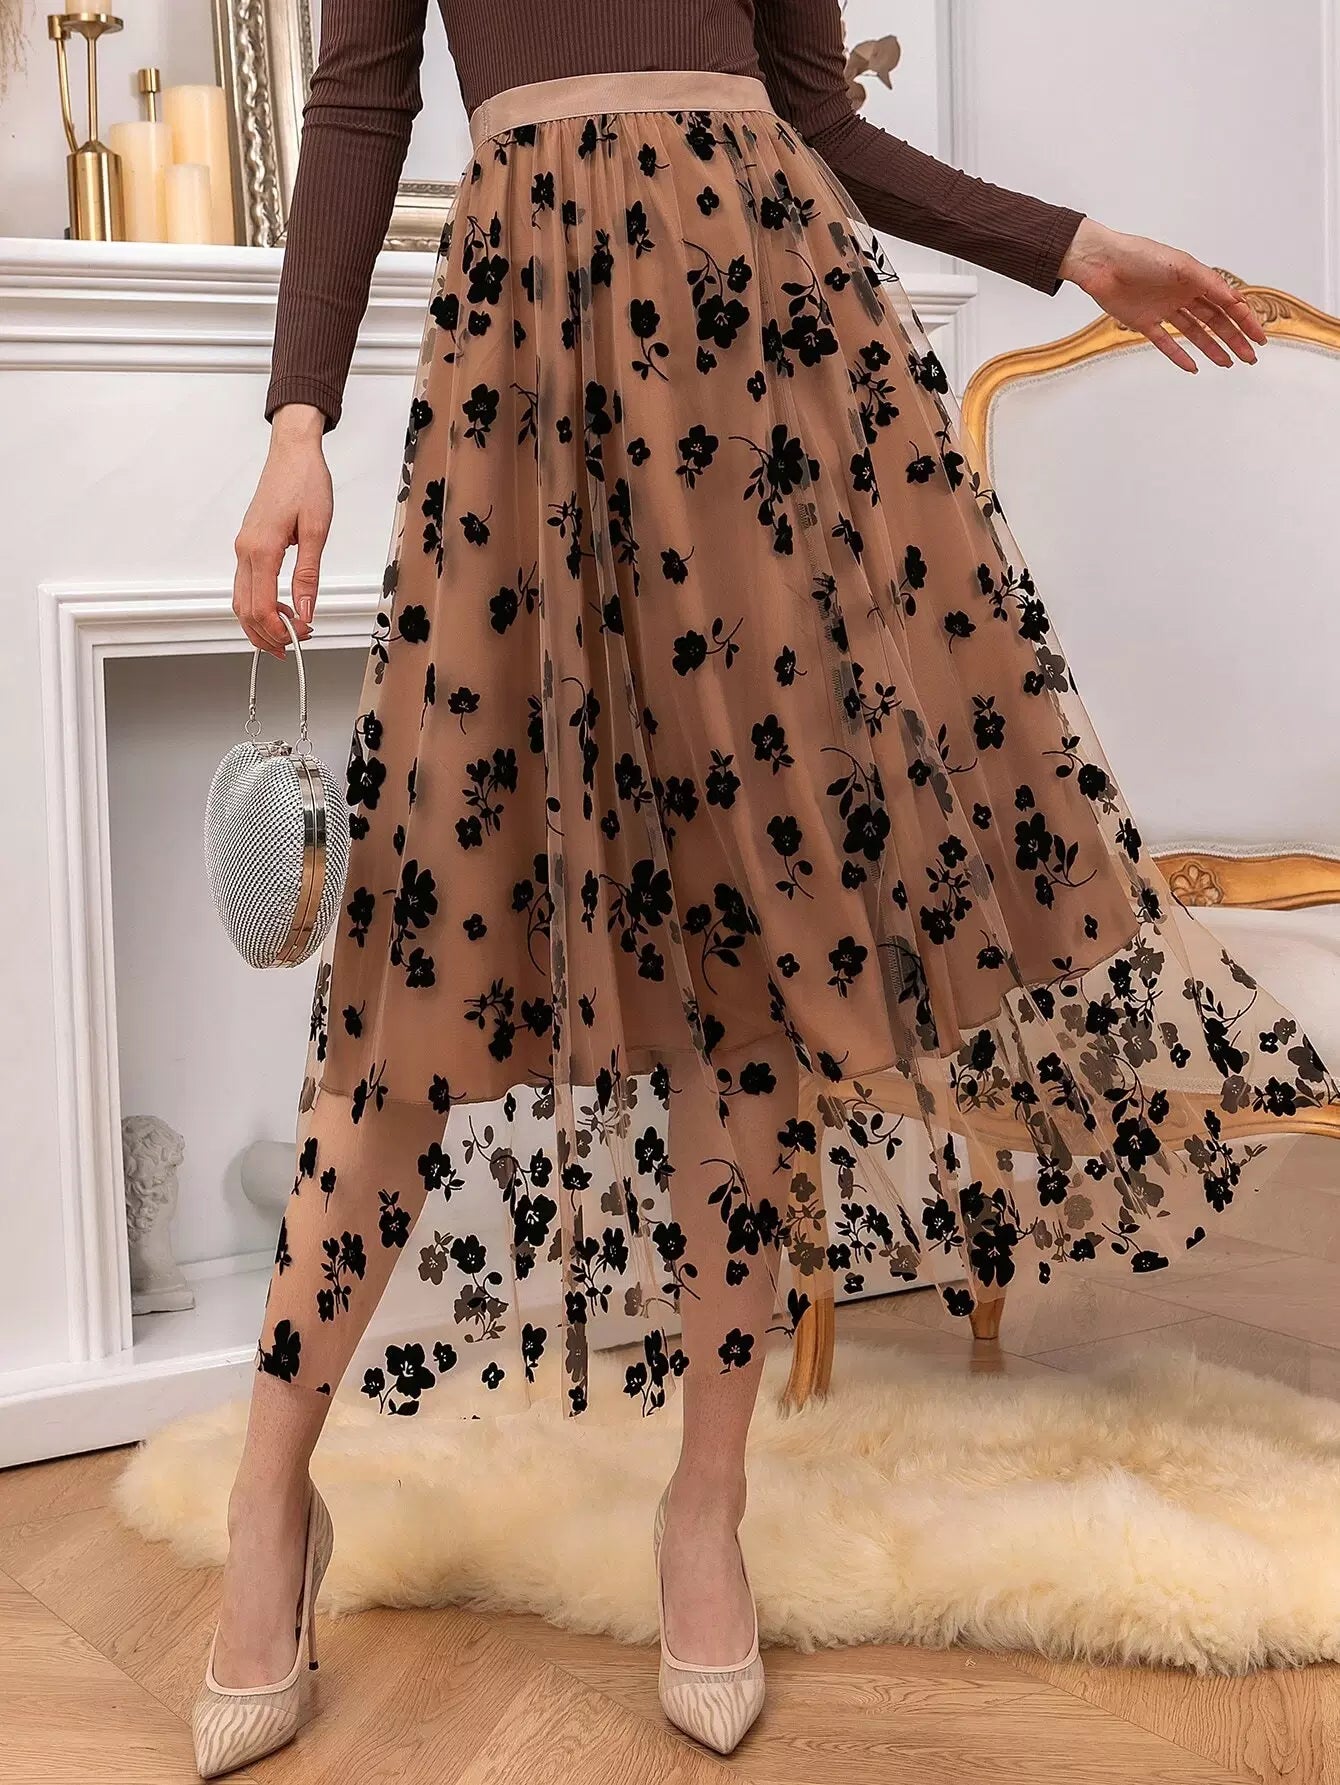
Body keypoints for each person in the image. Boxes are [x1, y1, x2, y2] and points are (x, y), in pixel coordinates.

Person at [192, 1, 1337, 1775]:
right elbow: (357, 104)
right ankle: (274, 1500)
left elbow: (822, 121)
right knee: (419, 971)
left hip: (760, 371)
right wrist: (296, 421)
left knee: (752, 945)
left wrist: (1070, 245)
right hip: (524, 382)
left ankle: (705, 1504)